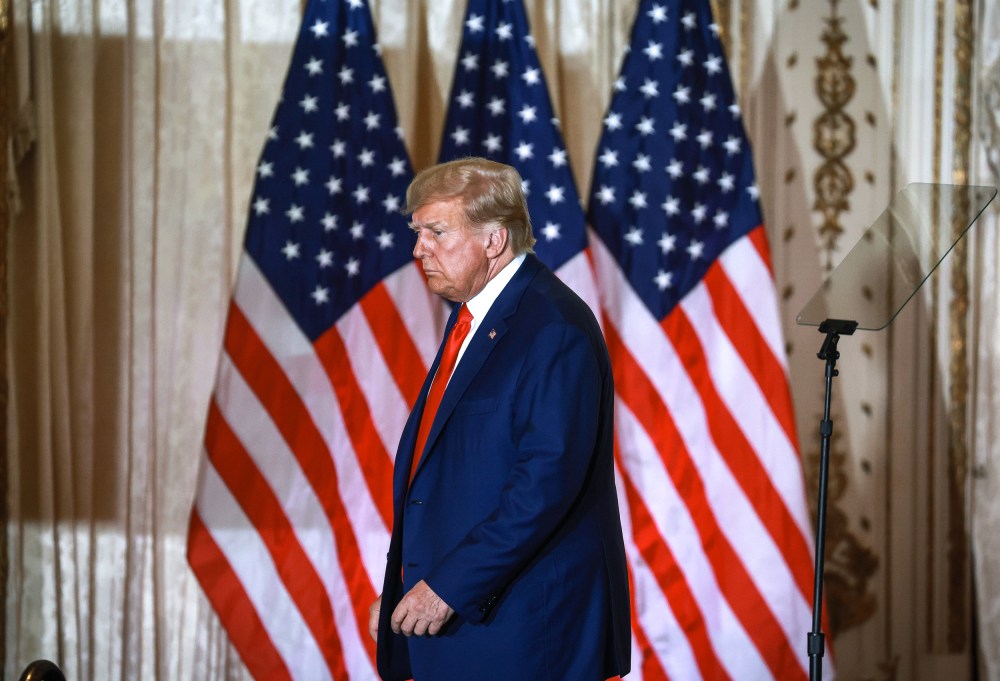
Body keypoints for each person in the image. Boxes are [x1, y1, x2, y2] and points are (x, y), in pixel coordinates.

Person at [368, 157, 631, 681]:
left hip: (526, 630)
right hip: (469, 622)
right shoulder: (475, 318)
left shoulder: (552, 328)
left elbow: (543, 487)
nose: (419, 249)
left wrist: (447, 587)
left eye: (436, 232)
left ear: (493, 241)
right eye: (417, 232)